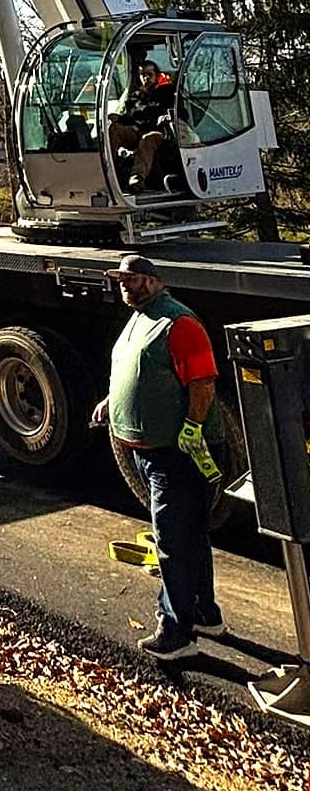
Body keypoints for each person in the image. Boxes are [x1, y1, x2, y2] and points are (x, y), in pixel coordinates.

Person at [92, 253, 226, 661]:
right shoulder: (141, 318)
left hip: (176, 454)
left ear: (151, 281)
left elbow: (202, 381)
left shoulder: (179, 323)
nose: (124, 287)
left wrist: (191, 426)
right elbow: (142, 369)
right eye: (120, 280)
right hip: (150, 452)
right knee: (189, 534)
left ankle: (175, 631)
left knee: (172, 538)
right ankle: (204, 612)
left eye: (130, 280)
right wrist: (113, 400)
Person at [108, 58, 176, 191]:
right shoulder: (136, 97)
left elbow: (182, 113)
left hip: (160, 133)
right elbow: (130, 119)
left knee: (148, 139)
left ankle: (137, 179)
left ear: (157, 75)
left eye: (149, 74)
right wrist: (119, 118)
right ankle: (110, 169)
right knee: (114, 129)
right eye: (143, 75)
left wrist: (168, 116)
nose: (146, 78)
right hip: (137, 131)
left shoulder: (167, 93)